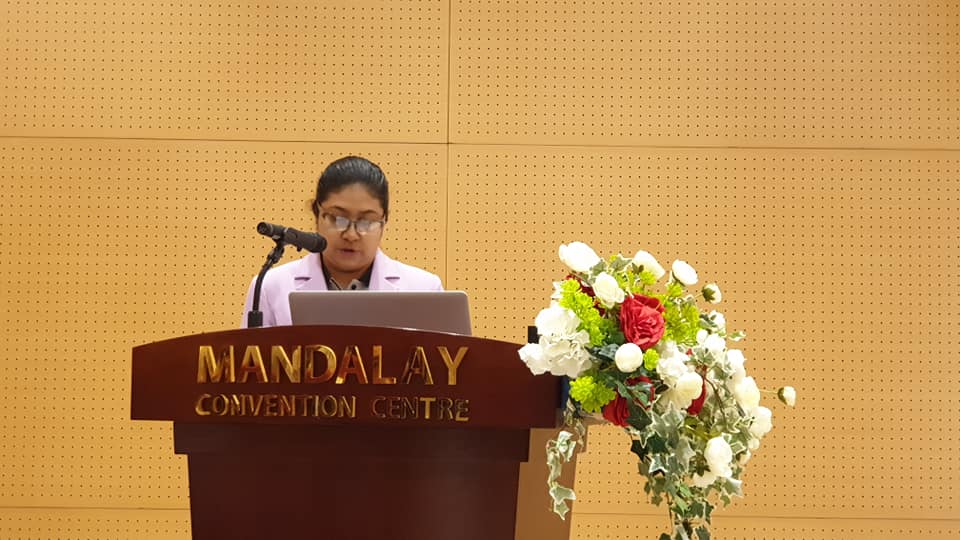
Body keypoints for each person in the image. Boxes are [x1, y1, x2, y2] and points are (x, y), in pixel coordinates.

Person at [242, 156, 443, 327]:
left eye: (366, 222)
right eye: (338, 219)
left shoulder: (425, 290)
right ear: (317, 214)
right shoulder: (270, 287)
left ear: (384, 222)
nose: (351, 235)